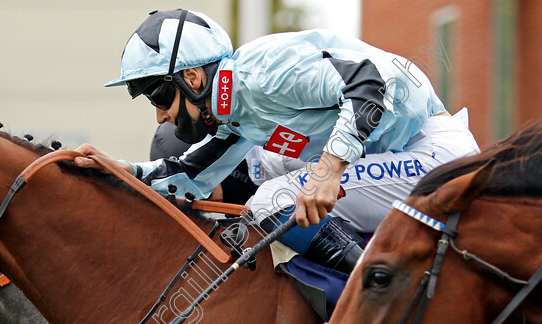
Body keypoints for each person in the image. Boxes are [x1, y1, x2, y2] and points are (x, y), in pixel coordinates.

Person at [74, 9, 479, 274]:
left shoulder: (262, 72)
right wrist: (122, 172)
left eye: (159, 96)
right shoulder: (238, 113)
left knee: (271, 201)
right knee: (275, 197)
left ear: (192, 78)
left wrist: (328, 171)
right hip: (406, 155)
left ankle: (384, 295)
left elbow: (370, 83)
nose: (160, 115)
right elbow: (188, 174)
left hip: (433, 155)